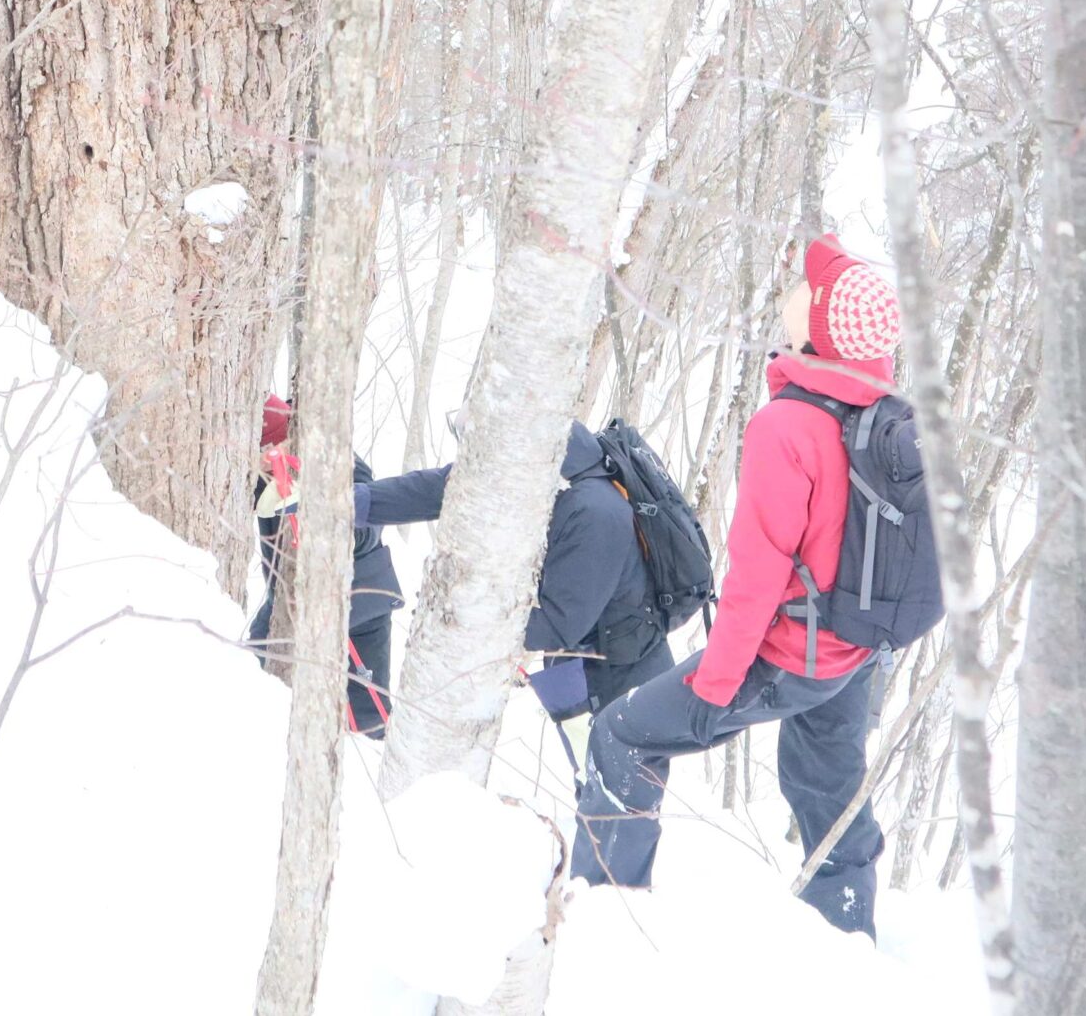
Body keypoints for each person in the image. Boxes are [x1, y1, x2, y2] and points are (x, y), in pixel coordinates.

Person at [569, 234, 901, 937]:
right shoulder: (887, 414)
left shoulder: (787, 426)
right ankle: (851, 936)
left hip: (792, 652)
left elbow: (758, 572)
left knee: (620, 735)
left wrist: (716, 683)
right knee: (825, 783)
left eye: (806, 288)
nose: (791, 291)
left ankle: (602, 916)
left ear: (823, 325)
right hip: (855, 650)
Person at [360, 415, 676, 732]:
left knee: (602, 774)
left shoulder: (595, 512)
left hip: (621, 682)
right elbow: (438, 490)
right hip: (575, 671)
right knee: (582, 773)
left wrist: (460, 616)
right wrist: (355, 503)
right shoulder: (530, 475)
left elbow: (558, 625)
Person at [248, 396, 401, 736]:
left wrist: (312, 510)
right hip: (291, 602)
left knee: (370, 717)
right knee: (253, 663)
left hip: (359, 597)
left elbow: (365, 525)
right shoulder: (267, 476)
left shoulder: (336, 458)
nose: (259, 463)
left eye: (263, 450)